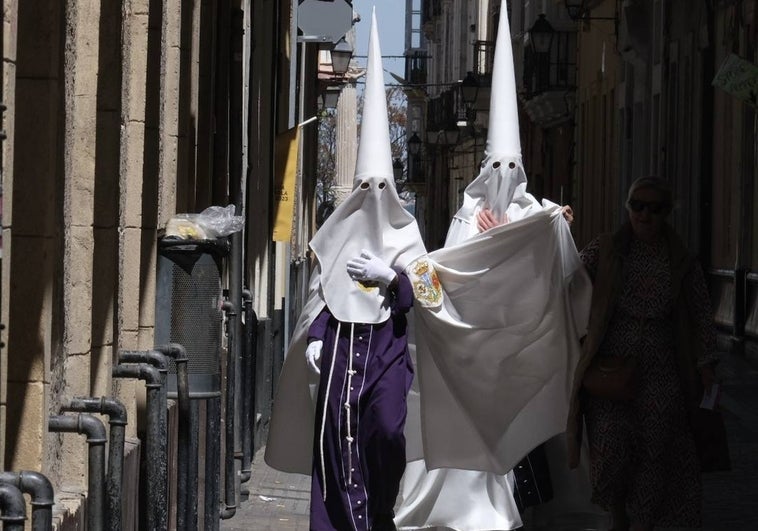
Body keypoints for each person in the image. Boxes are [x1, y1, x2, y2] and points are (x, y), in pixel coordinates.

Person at [394, 5, 593, 530]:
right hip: (472, 354)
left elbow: (561, 277)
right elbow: (443, 281)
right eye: (497, 168)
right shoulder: (466, 215)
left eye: (513, 168)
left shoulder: (535, 215)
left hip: (518, 351)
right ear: (485, 170)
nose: (505, 177)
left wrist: (551, 227)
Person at [264, 11, 429, 531]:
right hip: (339, 348)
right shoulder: (338, 234)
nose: (373, 199)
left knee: (383, 428)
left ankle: (380, 508)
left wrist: (393, 278)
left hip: (387, 352)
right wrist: (315, 335)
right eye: (365, 190)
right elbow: (320, 292)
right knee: (334, 436)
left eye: (381, 189)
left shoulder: (406, 233)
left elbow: (429, 289)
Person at [566, 176, 720, 531]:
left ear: (667, 213)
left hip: (662, 373)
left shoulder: (681, 261)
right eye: (638, 206)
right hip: (608, 372)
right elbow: (567, 273)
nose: (645, 216)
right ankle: (620, 517)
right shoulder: (606, 249)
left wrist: (707, 365)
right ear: (628, 207)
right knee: (609, 451)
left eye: (655, 208)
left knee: (654, 454)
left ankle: (641, 525)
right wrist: (555, 225)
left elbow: (700, 313)